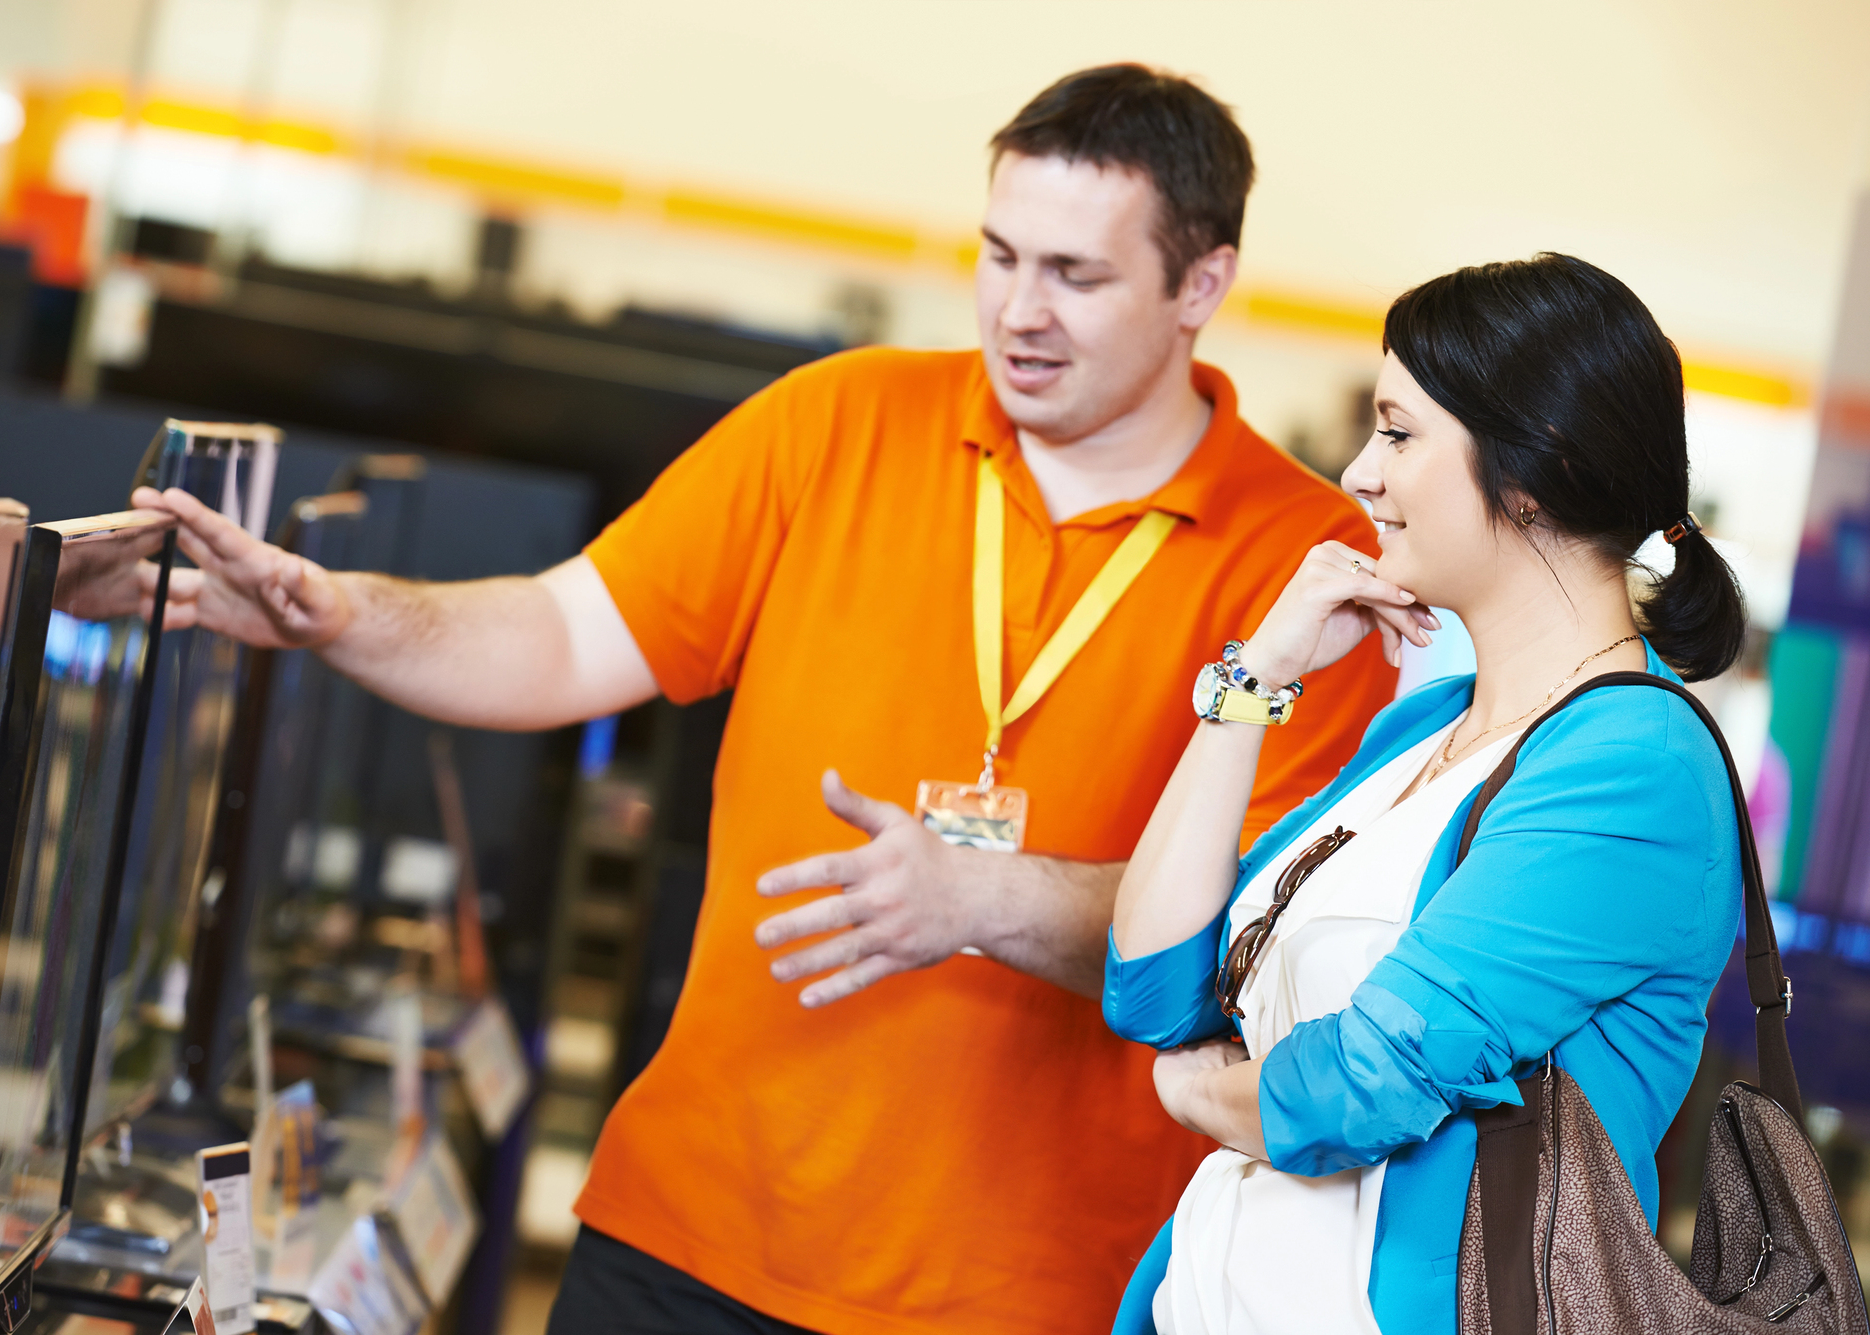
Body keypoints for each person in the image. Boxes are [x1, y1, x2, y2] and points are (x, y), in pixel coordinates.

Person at [137, 66, 1399, 1335]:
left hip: (1035, 1294)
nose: (1019, 312)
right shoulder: (833, 423)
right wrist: (342, 612)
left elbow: (1257, 940)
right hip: (690, 1231)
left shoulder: (1310, 569)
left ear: (1200, 287)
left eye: (1076, 275)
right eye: (999, 255)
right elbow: (560, 637)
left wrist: (984, 898)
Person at [1103, 252, 1748, 1335]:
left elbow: (1350, 1091)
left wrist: (1189, 1094)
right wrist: (1250, 685)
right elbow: (1155, 990)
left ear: (1532, 467)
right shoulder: (1425, 728)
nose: (1359, 473)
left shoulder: (1635, 766)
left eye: (1398, 433)